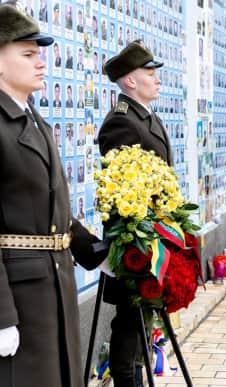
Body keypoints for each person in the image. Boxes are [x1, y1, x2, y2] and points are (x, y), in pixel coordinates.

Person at [0, 4, 106, 386]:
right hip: (19, 296)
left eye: (40, 54)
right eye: (27, 54)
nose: (40, 62)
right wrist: (1, 316)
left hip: (54, 285)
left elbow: (50, 206)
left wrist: (93, 249)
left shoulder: (35, 120)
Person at [99, 40, 170, 387]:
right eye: (150, 72)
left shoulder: (146, 117)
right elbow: (123, 195)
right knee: (129, 321)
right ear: (129, 81)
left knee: (142, 318)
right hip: (135, 241)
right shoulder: (122, 124)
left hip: (154, 236)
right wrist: (141, 241)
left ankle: (137, 378)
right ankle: (128, 382)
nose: (157, 79)